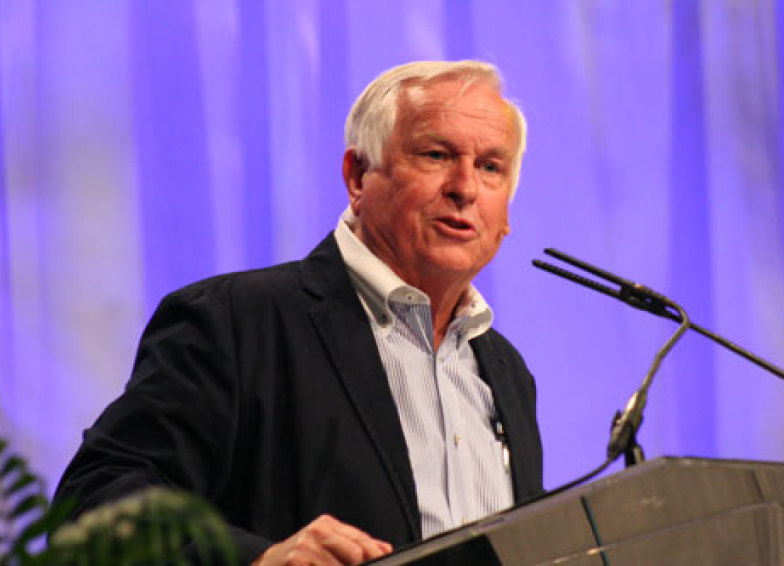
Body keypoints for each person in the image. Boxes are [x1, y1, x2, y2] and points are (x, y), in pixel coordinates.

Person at [55, 60, 543, 565]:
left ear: (505, 211)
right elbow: (93, 506)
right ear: (357, 176)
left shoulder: (506, 372)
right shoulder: (234, 322)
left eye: (491, 167)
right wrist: (260, 560)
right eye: (437, 155)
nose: (465, 187)